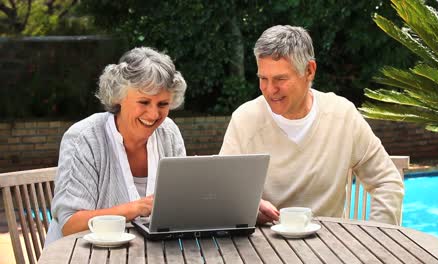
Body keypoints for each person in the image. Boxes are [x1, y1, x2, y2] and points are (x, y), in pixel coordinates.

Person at [220, 25, 404, 225]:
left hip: (333, 248)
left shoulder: (342, 115)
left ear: (309, 70)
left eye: (281, 78)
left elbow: (387, 182)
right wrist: (252, 207)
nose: (270, 89)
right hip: (264, 247)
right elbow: (222, 191)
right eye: (263, 79)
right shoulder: (245, 120)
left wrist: (376, 237)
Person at [45, 47, 187, 245]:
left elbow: (182, 204)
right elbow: (70, 224)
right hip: (81, 255)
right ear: (118, 96)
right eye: (144, 102)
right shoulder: (84, 138)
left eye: (162, 104)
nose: (154, 114)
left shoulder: (169, 133)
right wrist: (136, 207)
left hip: (152, 254)